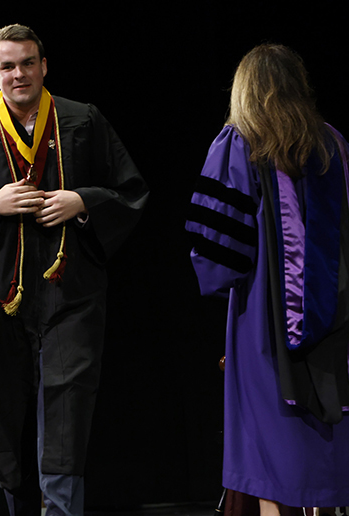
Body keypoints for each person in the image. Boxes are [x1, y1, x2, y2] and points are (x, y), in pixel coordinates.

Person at [0, 24, 148, 516]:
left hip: (72, 291)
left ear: (44, 66)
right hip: (1, 295)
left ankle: (61, 511)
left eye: (27, 63)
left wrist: (83, 200)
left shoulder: (82, 121)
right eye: (8, 66)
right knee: (7, 410)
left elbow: (131, 191)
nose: (18, 74)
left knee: (68, 410)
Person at [185, 44, 349, 515]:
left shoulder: (238, 142)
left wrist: (216, 277)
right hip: (334, 308)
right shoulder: (332, 143)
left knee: (265, 427)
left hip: (261, 310)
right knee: (326, 423)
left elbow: (219, 243)